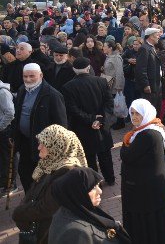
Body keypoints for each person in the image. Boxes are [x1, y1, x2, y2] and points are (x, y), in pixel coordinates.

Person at [12, 125, 87, 244]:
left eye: (44, 144)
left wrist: (19, 212)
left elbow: (46, 208)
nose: (39, 147)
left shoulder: (66, 172)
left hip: (50, 234)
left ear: (56, 146)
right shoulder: (51, 162)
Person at [120, 99, 165, 244]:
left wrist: (124, 146)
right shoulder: (151, 129)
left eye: (138, 113)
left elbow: (126, 155)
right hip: (150, 191)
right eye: (132, 113)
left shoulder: (146, 134)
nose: (134, 117)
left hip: (145, 194)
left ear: (146, 113)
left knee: (147, 229)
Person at [13, 63, 68, 191]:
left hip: (44, 146)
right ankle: (30, 201)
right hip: (25, 142)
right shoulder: (22, 90)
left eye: (32, 76)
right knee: (25, 174)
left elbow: (61, 125)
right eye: (25, 76)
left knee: (44, 178)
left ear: (41, 75)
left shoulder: (52, 95)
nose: (28, 79)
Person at [61, 57, 116, 185]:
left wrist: (90, 120)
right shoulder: (102, 81)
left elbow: (72, 109)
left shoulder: (67, 87)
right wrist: (100, 119)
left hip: (82, 127)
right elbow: (109, 103)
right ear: (88, 67)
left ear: (74, 70)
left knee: (88, 157)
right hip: (102, 125)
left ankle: (95, 182)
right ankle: (110, 179)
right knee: (105, 155)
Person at [48, 166, 132, 243]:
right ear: (78, 193)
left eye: (98, 186)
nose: (100, 191)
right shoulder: (77, 233)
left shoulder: (76, 210)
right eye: (93, 188)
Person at [134, 27, 163, 113]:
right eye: (157, 35)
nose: (158, 37)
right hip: (150, 86)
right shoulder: (144, 49)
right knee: (150, 110)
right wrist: (146, 84)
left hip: (156, 85)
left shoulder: (151, 47)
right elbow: (141, 69)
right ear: (151, 36)